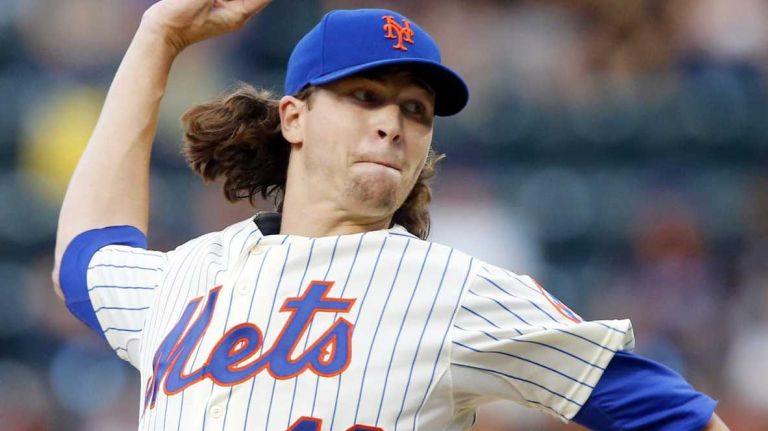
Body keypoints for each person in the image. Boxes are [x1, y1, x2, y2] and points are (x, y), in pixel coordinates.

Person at [52, 1, 730, 430]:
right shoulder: (192, 273)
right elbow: (87, 256)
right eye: (365, 95)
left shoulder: (455, 291)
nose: (392, 124)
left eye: (415, 110)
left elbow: (674, 414)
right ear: (294, 118)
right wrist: (156, 38)